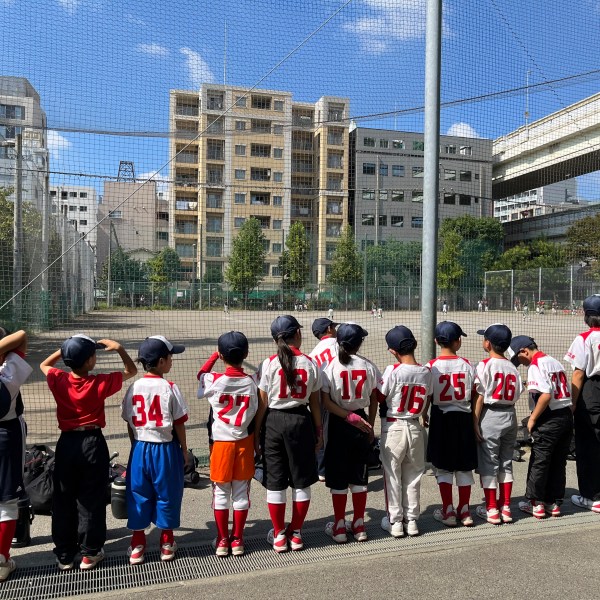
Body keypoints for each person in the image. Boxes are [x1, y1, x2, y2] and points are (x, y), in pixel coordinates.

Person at [40, 334, 137, 571]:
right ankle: (90, 553)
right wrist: (120, 348)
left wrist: (65, 350)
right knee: (91, 497)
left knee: (64, 498)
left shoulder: (59, 379)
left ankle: (64, 554)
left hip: (67, 443)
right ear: (90, 361)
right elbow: (131, 370)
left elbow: (44, 365)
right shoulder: (98, 382)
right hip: (92, 442)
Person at [254, 315, 323, 553]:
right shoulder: (310, 363)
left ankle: (279, 535)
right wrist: (318, 430)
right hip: (300, 421)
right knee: (301, 481)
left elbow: (262, 404)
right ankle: (296, 533)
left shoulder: (269, 363)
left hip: (273, 422)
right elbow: (315, 403)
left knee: (276, 482)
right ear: (296, 334)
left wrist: (256, 435)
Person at [121, 336, 188, 565]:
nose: (171, 361)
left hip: (140, 447)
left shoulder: (134, 387)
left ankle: (138, 544)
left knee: (138, 493)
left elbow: (129, 421)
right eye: (170, 358)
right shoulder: (170, 388)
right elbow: (179, 423)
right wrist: (185, 451)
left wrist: (135, 446)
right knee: (167, 494)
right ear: (161, 361)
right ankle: (167, 543)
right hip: (165, 449)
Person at [197, 332, 258, 557]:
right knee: (241, 493)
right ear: (246, 354)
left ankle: (223, 540)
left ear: (222, 356)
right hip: (244, 441)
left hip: (221, 444)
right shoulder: (251, 381)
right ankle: (238, 540)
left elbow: (201, 374)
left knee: (221, 493)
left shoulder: (214, 380)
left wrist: (214, 355)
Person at [321, 323, 379, 544]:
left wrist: (347, 416)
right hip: (361, 421)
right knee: (359, 475)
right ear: (359, 343)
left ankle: (338, 526)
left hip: (338, 423)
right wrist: (369, 425)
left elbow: (325, 402)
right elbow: (374, 398)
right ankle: (358, 523)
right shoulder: (368, 366)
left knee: (338, 478)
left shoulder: (331, 367)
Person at [507, 336, 573, 518]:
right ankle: (554, 503)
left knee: (540, 461)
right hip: (565, 414)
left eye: (518, 359)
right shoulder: (553, 361)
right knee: (559, 461)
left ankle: (536, 503)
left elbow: (545, 395)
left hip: (548, 418)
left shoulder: (535, 366)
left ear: (524, 351)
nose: (519, 363)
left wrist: (533, 419)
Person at [378, 326, 432, 538]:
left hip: (394, 427)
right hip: (415, 426)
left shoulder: (393, 370)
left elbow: (381, 396)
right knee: (414, 476)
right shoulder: (426, 372)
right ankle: (412, 521)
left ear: (393, 350)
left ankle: (396, 521)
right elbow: (428, 397)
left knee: (393, 476)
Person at [427, 322, 478, 528]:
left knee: (444, 467)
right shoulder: (467, 364)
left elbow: (428, 394)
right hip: (463, 417)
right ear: (459, 342)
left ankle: (448, 509)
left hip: (441, 417)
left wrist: (423, 415)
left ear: (436, 341)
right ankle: (464, 510)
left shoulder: (431, 366)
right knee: (464, 468)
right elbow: (476, 393)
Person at [473, 324, 523, 525]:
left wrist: (475, 422)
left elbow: (479, 397)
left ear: (487, 343)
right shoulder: (512, 366)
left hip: (491, 415)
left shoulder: (485, 365)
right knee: (506, 462)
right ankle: (506, 507)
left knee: (489, 463)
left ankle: (492, 509)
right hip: (510, 414)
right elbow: (518, 392)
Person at [0, 329, 32, 583]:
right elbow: (21, 335)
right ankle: (1, 560)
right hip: (6, 436)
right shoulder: (8, 373)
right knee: (7, 500)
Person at [564, 294, 600, 513]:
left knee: (588, 444)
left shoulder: (584, 338)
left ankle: (591, 496)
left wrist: (572, 403)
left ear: (587, 316)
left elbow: (578, 374)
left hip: (591, 391)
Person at [309, 318, 339, 482]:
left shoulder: (313, 353)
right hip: (336, 394)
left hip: (318, 395)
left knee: (320, 429)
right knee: (336, 431)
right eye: (334, 326)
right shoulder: (338, 344)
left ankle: (321, 468)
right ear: (329, 328)